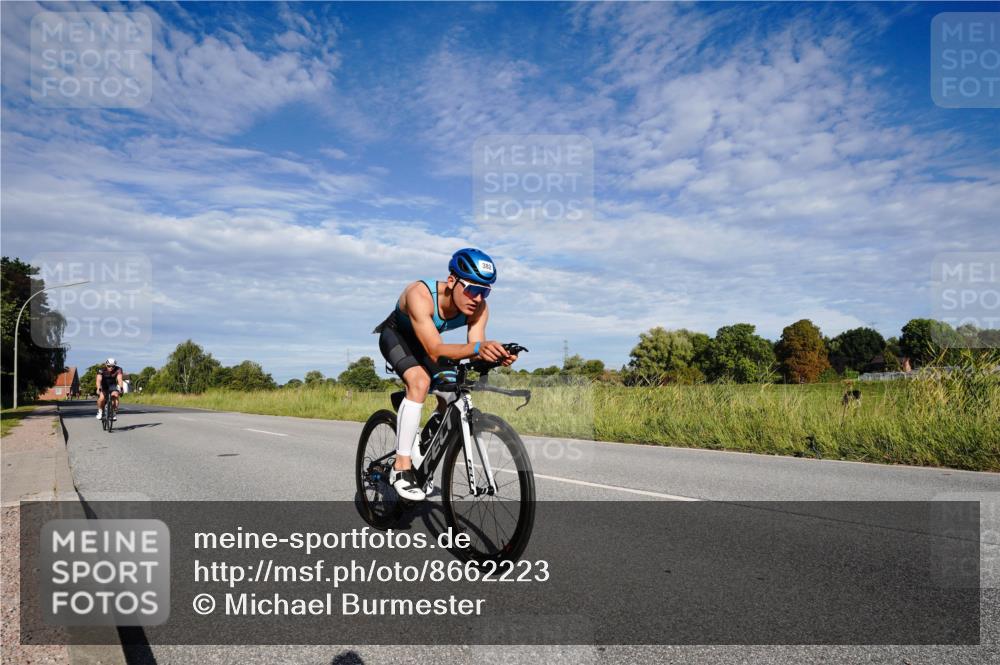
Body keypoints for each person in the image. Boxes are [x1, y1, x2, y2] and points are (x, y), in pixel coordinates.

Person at [373, 249, 517, 500]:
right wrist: (477, 349)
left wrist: (495, 355)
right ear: (452, 281)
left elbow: (475, 348)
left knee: (452, 390)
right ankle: (402, 466)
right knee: (419, 381)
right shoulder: (420, 294)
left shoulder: (479, 308)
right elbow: (434, 349)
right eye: (472, 288)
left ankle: (422, 450)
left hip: (431, 342)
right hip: (398, 337)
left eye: (485, 291)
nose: (477, 297)